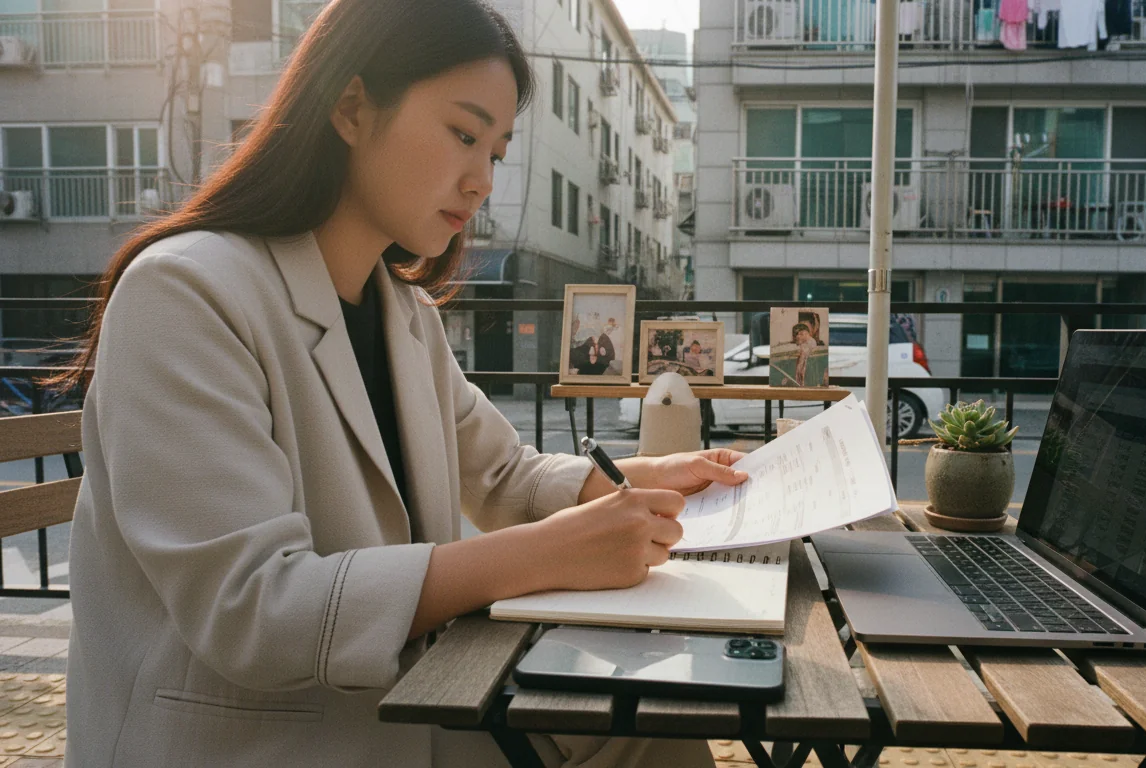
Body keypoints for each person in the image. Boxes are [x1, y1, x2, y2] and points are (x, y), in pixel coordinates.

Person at [57, 1, 745, 766]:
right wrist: (547, 552)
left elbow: (505, 473)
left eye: (497, 151)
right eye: (463, 134)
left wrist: (653, 479)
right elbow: (254, 609)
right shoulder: (186, 292)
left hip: (408, 706)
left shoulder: (403, 312)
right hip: (254, 739)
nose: (481, 180)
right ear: (351, 107)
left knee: (659, 736)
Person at [793, 322, 817, 386]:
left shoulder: (810, 342)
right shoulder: (804, 343)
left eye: (801, 334)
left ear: (806, 333)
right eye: (797, 334)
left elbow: (803, 357)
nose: (798, 336)